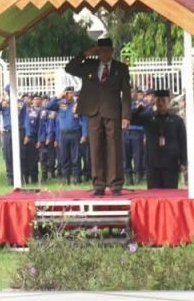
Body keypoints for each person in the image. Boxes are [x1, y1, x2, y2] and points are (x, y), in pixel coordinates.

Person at [65, 37, 131, 195]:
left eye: (107, 50)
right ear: (97, 51)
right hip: (93, 112)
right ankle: (99, 185)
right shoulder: (90, 65)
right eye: (100, 51)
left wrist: (126, 115)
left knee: (114, 148)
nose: (104, 53)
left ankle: (115, 185)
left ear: (112, 51)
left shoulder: (120, 68)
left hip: (113, 112)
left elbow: (126, 94)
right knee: (95, 149)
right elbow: (69, 68)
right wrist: (85, 54)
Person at [130, 89, 186, 189]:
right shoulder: (148, 117)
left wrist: (183, 162)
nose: (160, 103)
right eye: (158, 100)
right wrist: (141, 107)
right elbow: (131, 119)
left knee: (170, 195)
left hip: (171, 162)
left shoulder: (177, 120)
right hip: (153, 163)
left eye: (163, 100)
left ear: (169, 101)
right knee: (153, 195)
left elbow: (183, 141)